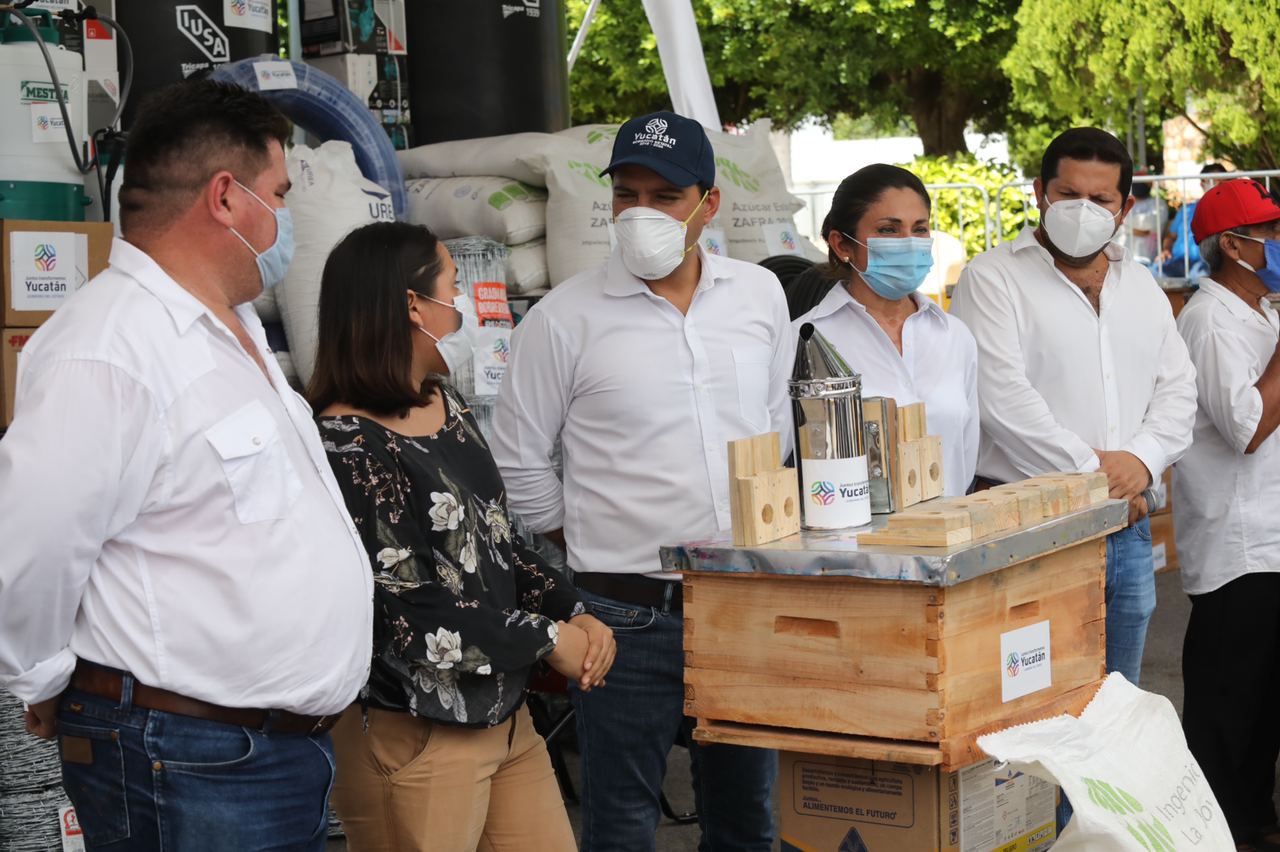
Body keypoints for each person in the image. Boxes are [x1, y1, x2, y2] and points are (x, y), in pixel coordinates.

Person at [0, 79, 372, 850]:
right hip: (188, 763)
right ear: (227, 198)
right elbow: (30, 549)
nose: (287, 216)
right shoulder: (109, 349)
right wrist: (40, 681)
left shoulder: (231, 325)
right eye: (279, 191)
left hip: (263, 755)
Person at [491, 111, 792, 852]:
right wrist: (585, 541)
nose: (642, 214)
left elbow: (775, 423)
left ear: (709, 205)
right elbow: (518, 459)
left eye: (665, 196)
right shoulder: (563, 319)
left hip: (741, 600)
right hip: (624, 614)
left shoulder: (759, 297)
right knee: (622, 824)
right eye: (627, 195)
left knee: (747, 817)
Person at [307, 221, 615, 851]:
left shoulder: (447, 404)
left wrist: (575, 611)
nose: (466, 306)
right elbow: (408, 607)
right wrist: (547, 639)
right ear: (411, 305)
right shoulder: (347, 442)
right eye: (454, 287)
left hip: (504, 715)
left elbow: (501, 545)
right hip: (418, 730)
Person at [950, 126, 1196, 688]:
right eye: (1068, 195)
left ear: (1124, 206)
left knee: (1115, 708)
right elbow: (1002, 398)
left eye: (1100, 199)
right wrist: (1103, 478)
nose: (1082, 209)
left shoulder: (1141, 288)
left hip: (1127, 530)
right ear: (1040, 191)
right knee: (1034, 707)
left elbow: (1179, 389)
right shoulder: (993, 277)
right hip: (1034, 527)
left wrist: (1143, 459)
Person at [1173, 179, 1280, 852]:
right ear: (1233, 246)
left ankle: (1257, 820)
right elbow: (1246, 427)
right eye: (1269, 234)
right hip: (1236, 543)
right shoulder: (1209, 320)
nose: (1277, 244)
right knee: (1226, 704)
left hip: (1271, 536)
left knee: (1266, 702)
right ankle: (1220, 830)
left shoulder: (1265, 310)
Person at [794, 164, 978, 497]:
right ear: (842, 244)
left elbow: (965, 452)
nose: (909, 243)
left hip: (952, 536)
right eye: (889, 230)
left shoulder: (954, 336)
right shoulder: (806, 340)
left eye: (920, 229)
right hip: (855, 543)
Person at [1154, 162, 1228, 279]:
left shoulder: (1229, 210)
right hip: (1178, 261)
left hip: (1205, 264)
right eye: (1212, 180)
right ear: (1202, 184)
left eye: (1220, 181)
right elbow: (1170, 236)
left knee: (1199, 278)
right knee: (1153, 273)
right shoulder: (1186, 209)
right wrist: (1166, 250)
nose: (1216, 185)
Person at [1119, 175, 1167, 265]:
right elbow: (1117, 220)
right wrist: (1134, 230)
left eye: (1145, 182)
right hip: (1122, 259)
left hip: (1148, 259)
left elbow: (1149, 222)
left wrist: (1125, 228)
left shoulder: (1159, 203)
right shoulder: (1124, 203)